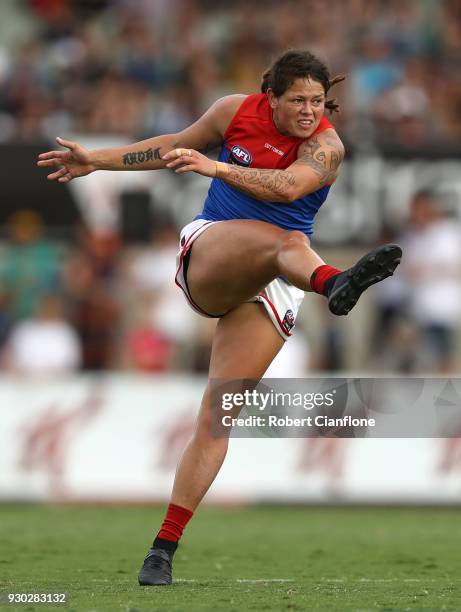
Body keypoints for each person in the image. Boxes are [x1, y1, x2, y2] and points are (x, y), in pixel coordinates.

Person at [38, 49, 402, 585]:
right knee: (287, 240)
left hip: (279, 279)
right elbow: (169, 147)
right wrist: (97, 160)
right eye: (297, 100)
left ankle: (161, 549)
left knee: (217, 415)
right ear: (270, 97)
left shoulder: (327, 145)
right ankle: (334, 282)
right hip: (214, 255)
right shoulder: (234, 111)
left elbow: (290, 187)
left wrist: (214, 166)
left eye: (318, 101)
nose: (309, 111)